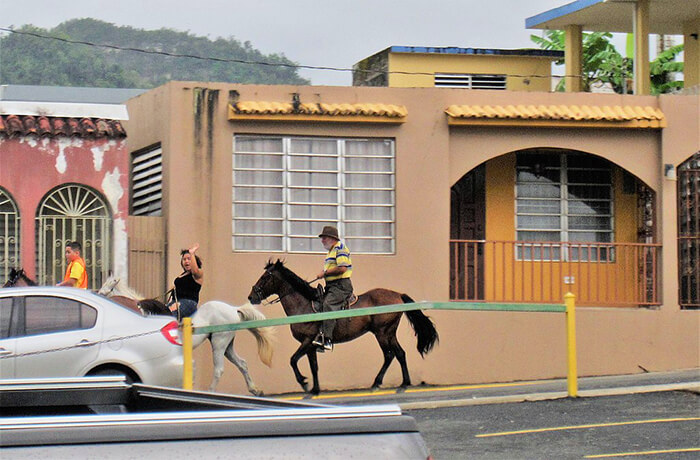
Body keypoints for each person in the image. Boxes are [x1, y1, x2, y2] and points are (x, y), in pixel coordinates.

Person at [312, 226, 353, 351]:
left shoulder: (340, 248)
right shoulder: (331, 251)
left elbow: (342, 268)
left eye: (324, 238)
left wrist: (325, 273)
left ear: (332, 238)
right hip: (332, 286)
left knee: (328, 304)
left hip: (341, 286)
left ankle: (327, 339)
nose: (322, 240)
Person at [168, 243, 203, 319]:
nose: (186, 261)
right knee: (161, 313)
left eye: (189, 259)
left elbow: (195, 270)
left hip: (188, 303)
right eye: (184, 259)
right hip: (175, 302)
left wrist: (192, 253)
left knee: (172, 314)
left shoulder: (198, 274)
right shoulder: (182, 275)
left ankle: (173, 330)